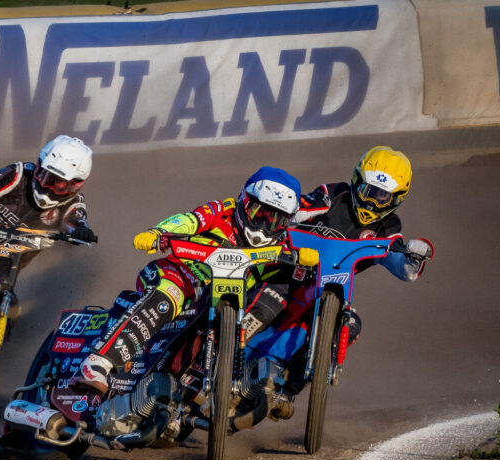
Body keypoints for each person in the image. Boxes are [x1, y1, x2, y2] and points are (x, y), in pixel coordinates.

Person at [72, 166, 304, 396]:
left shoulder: (280, 245)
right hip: (179, 273)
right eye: (259, 213)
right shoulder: (223, 210)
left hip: (219, 301)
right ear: (245, 201)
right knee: (168, 296)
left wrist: (307, 261)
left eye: (275, 220)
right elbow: (189, 220)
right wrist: (157, 232)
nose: (264, 225)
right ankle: (97, 363)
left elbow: (296, 272)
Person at [248, 146, 434, 420]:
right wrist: (298, 211)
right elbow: (299, 209)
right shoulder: (333, 194)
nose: (372, 202)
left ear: (396, 199)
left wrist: (417, 253)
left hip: (327, 293)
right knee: (265, 305)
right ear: (356, 182)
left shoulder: (389, 227)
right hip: (285, 275)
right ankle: (214, 357)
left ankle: (286, 391)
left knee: (350, 324)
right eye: (369, 191)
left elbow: (403, 268)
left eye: (383, 196)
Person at [0, 134, 97, 245]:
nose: (48, 188)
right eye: (47, 177)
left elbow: (78, 221)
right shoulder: (20, 173)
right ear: (39, 167)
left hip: (4, 267)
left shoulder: (73, 203)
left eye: (60, 183)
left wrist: (82, 231)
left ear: (77, 184)